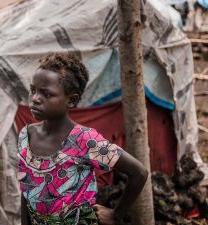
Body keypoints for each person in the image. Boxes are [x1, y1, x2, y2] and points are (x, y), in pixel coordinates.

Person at [17, 52, 148, 225]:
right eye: (33, 90)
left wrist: (115, 214)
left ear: (71, 100)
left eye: (46, 94)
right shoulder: (26, 135)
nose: (35, 99)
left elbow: (139, 172)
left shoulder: (85, 140)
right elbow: (26, 189)